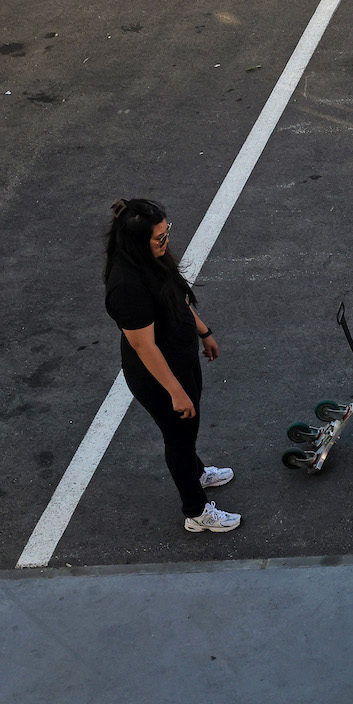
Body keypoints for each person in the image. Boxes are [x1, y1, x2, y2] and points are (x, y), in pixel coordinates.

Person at [101, 198, 239, 533]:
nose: (166, 241)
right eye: (159, 237)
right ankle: (196, 512)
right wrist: (175, 392)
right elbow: (143, 347)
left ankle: (197, 474)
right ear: (136, 241)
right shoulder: (127, 286)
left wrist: (203, 331)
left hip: (180, 358)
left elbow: (175, 297)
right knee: (178, 438)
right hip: (159, 376)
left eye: (166, 233)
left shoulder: (151, 259)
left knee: (186, 433)